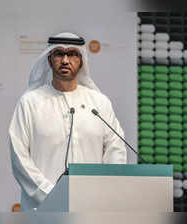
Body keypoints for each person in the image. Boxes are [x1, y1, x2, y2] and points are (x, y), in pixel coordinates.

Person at [9, 32, 127, 211]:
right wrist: (52, 195)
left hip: (91, 206)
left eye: (72, 54)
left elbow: (115, 149)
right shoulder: (30, 102)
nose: (65, 60)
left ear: (81, 61)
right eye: (59, 54)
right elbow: (19, 157)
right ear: (49, 60)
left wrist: (103, 190)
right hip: (43, 208)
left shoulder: (99, 103)